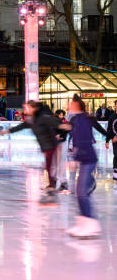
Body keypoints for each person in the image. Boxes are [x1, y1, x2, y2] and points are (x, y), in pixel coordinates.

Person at [1, 101, 60, 203]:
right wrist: (8, 131)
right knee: (48, 166)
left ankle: (52, 186)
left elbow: (54, 122)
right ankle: (52, 184)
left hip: (51, 144)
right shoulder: (31, 119)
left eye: (27, 108)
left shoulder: (42, 117)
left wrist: (63, 128)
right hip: (46, 146)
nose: (25, 110)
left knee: (49, 166)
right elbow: (21, 126)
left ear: (33, 108)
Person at [64, 96, 104, 238]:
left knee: (81, 192)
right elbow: (75, 138)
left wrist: (76, 158)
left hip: (88, 159)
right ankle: (83, 223)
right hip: (83, 159)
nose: (68, 105)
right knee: (80, 193)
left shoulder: (83, 120)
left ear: (76, 105)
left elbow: (85, 140)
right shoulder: (76, 119)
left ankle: (91, 225)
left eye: (71, 103)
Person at [106, 100, 117, 181]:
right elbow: (109, 129)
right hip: (114, 140)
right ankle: (115, 172)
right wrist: (107, 141)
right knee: (116, 154)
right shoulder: (112, 117)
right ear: (115, 106)